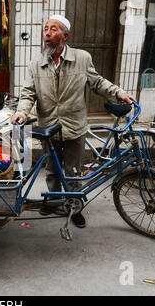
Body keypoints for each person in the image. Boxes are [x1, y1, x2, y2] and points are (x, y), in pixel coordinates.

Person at [10, 15, 135, 228]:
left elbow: (98, 83)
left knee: (73, 172)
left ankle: (74, 206)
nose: (47, 33)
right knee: (51, 169)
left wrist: (119, 93)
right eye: (45, 29)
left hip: (74, 126)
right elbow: (28, 93)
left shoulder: (82, 59)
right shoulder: (35, 64)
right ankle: (53, 200)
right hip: (49, 126)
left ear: (64, 36)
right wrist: (22, 112)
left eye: (53, 29)